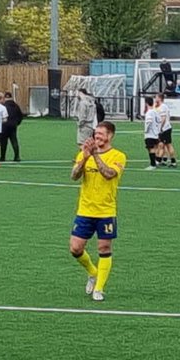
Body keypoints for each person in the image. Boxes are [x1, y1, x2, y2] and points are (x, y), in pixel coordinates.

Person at [69, 121, 126, 302]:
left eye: (101, 134)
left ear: (110, 136)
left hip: (106, 211)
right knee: (75, 248)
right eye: (96, 134)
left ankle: (99, 288)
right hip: (85, 209)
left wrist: (95, 156)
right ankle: (93, 273)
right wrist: (85, 157)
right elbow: (74, 176)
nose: (97, 137)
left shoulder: (119, 156)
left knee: (104, 248)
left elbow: (109, 174)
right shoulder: (83, 154)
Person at [1, 91, 23, 162]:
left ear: (4, 98)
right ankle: (17, 156)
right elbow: (20, 116)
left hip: (4, 125)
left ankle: (3, 157)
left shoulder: (3, 106)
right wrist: (17, 123)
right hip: (13, 126)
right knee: (14, 140)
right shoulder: (16, 106)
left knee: (3, 142)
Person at [141, 97, 161, 170]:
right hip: (155, 133)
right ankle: (155, 162)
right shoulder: (155, 111)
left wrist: (146, 130)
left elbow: (149, 121)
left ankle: (152, 165)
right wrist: (158, 129)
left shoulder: (149, 112)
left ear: (146, 103)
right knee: (154, 148)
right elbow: (159, 121)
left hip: (150, 134)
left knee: (151, 148)